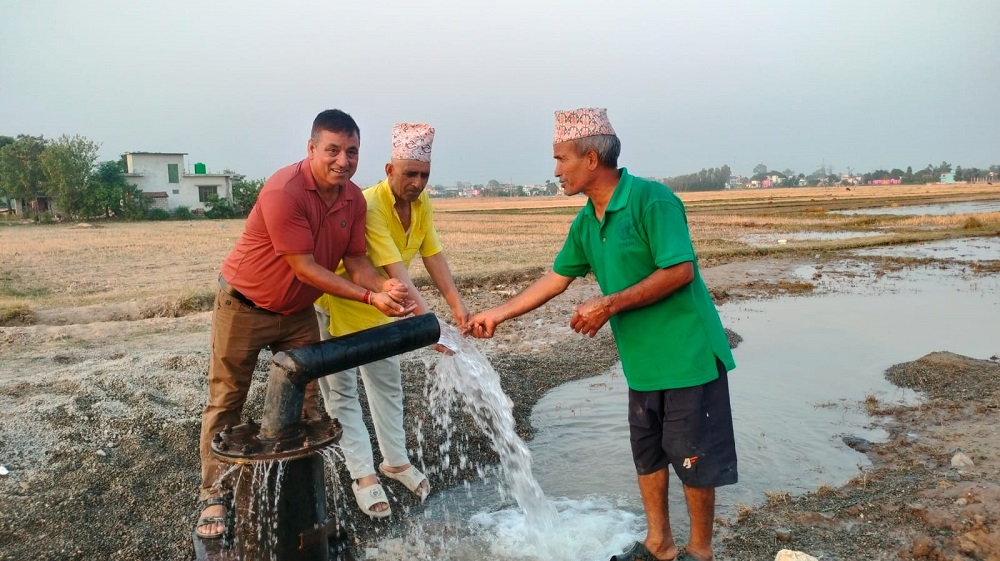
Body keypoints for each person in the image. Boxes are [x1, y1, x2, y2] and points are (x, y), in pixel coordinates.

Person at [465, 108, 737, 561]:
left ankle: (701, 551)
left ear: (591, 159)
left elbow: (680, 270)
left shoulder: (653, 200)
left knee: (693, 458)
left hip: (688, 353)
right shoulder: (587, 221)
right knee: (648, 454)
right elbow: (554, 280)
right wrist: (497, 313)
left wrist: (608, 304)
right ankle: (659, 543)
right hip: (642, 361)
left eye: (561, 159)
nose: (556, 171)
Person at [195, 109, 416, 539]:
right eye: (332, 150)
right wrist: (370, 297)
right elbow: (305, 267)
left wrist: (384, 287)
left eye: (351, 152)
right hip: (245, 304)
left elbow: (355, 262)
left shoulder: (352, 199)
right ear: (311, 148)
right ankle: (213, 496)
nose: (343, 160)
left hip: (297, 313)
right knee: (227, 400)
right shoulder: (284, 191)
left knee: (310, 404)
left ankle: (305, 497)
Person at [315, 122, 469, 518]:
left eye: (424, 175)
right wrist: (429, 326)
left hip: (385, 308)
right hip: (341, 303)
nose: (417, 183)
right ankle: (363, 474)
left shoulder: (421, 205)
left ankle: (395, 461)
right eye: (409, 174)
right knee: (343, 392)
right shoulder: (369, 205)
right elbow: (394, 269)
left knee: (387, 383)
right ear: (388, 170)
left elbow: (432, 255)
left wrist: (456, 305)